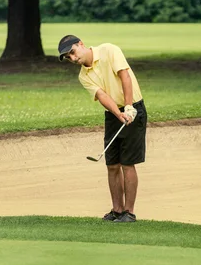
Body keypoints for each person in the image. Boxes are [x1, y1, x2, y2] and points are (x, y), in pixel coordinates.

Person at [58, 35, 147, 223]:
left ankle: (128, 213)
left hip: (134, 107)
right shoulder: (84, 76)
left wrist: (129, 107)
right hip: (114, 114)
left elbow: (125, 77)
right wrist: (118, 114)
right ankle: (117, 210)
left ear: (81, 44)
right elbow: (102, 96)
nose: (72, 59)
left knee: (127, 163)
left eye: (72, 52)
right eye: (68, 57)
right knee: (112, 164)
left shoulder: (109, 50)